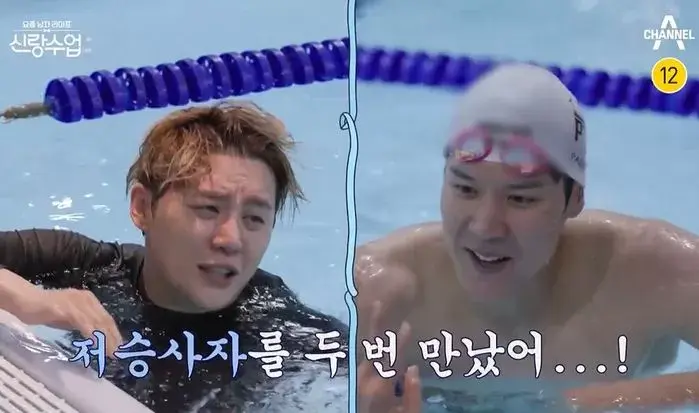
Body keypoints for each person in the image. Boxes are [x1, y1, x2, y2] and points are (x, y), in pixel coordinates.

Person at [354, 63, 699, 413]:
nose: (485, 227)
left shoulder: (654, 273)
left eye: (520, 198)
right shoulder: (381, 293)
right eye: (465, 189)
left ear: (575, 199)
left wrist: (603, 401)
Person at [0, 101, 348, 413]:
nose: (231, 240)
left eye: (254, 219)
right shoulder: (90, 268)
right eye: (208, 209)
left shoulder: (275, 320)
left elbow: (366, 363)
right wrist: (34, 301)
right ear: (142, 207)